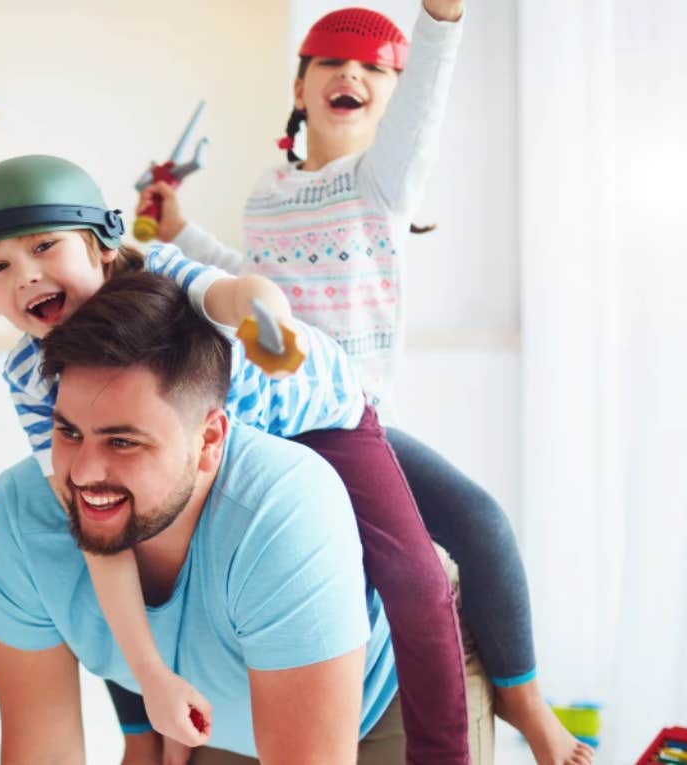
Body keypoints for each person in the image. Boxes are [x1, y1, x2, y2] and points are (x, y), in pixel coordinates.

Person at [139, 3, 593, 763]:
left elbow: (427, 105)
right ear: (301, 84)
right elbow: (251, 278)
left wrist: (440, 20)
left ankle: (524, 704)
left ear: (390, 95)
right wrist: (177, 228)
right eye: (332, 63)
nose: (352, 74)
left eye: (376, 69)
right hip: (273, 420)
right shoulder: (271, 189)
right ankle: (154, 738)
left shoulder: (383, 181)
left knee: (474, 529)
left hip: (347, 419)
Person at [0, 155, 470, 762]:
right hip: (203, 458)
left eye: (45, 247)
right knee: (128, 541)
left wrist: (267, 316)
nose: (27, 276)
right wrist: (153, 679)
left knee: (413, 572)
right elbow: (101, 532)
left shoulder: (159, 269)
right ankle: (151, 734)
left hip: (309, 416)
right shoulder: (30, 374)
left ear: (101, 245)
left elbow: (233, 292)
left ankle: (445, 753)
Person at [0, 270, 408, 762]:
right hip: (217, 722)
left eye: (122, 442)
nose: (85, 473)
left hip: (382, 707)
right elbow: (42, 752)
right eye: (69, 433)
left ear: (209, 441)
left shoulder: (282, 511)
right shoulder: (12, 526)